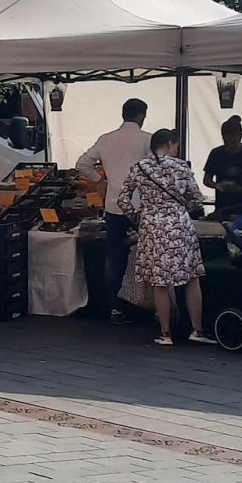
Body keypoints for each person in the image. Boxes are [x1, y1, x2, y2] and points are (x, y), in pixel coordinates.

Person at [119, 129, 216, 347]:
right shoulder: (180, 167)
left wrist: (139, 217)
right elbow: (196, 198)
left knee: (159, 282)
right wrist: (182, 208)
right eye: (176, 145)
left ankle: (165, 334)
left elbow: (123, 199)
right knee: (191, 277)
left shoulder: (139, 168)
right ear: (170, 143)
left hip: (152, 227)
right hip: (179, 226)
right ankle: (197, 329)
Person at [77, 98, 152, 323]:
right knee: (149, 254)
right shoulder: (147, 139)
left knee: (114, 255)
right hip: (139, 205)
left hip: (113, 205)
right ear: (141, 115)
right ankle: (150, 305)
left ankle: (115, 308)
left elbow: (82, 163)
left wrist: (100, 179)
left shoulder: (105, 139)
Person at [203, 115, 242, 217]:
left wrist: (240, 189)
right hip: (222, 207)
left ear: (240, 137)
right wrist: (218, 186)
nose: (231, 146)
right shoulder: (216, 154)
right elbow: (207, 180)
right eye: (227, 142)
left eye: (234, 142)